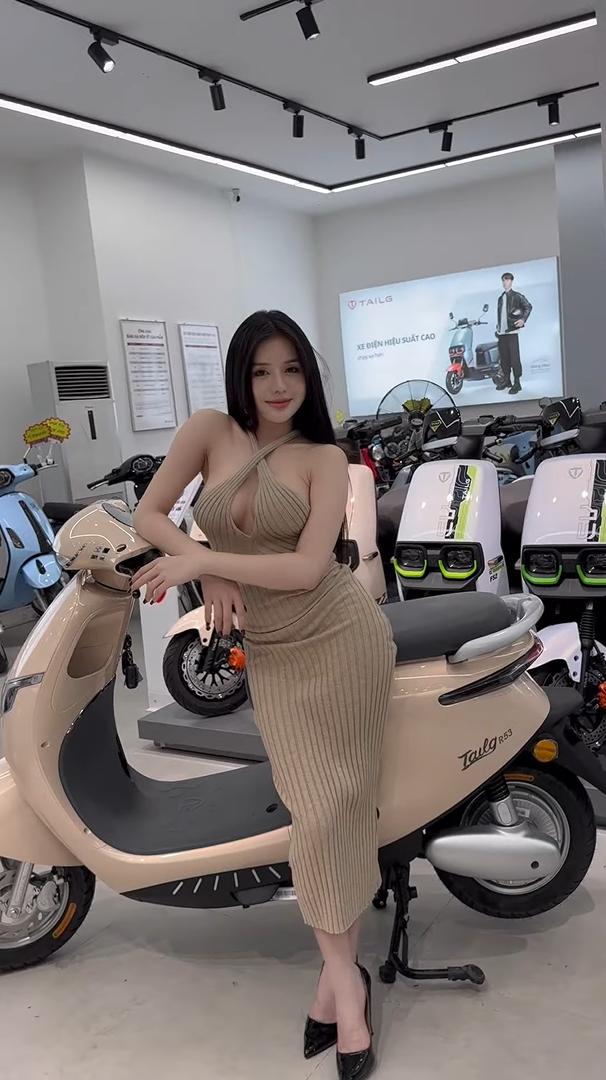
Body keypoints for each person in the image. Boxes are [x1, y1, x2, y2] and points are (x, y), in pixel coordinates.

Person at [132, 310, 396, 1080]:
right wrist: (205, 563)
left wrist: (205, 564)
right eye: (261, 371)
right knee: (316, 811)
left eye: (292, 369)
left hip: (341, 639)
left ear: (309, 374)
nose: (278, 386)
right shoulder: (209, 431)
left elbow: (310, 570)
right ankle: (343, 978)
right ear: (240, 376)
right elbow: (148, 513)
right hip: (276, 653)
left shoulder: (323, 456)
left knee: (338, 806)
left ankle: (341, 992)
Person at [496, 272, 532, 395]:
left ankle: (517, 383)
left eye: (507, 280)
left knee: (514, 359)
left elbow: (528, 306)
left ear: (511, 281)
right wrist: (498, 326)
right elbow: (501, 315)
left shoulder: (517, 296)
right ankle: (507, 381)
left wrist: (523, 320)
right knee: (504, 359)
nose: (505, 282)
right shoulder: (501, 298)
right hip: (501, 333)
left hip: (512, 332)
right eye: (503, 280)